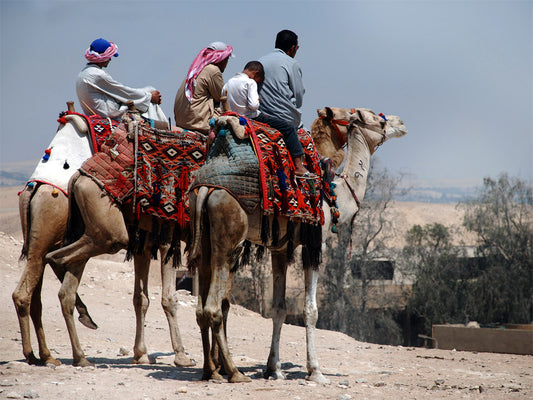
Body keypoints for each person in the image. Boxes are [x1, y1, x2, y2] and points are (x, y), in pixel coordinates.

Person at [223, 60, 314, 178]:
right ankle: (299, 167)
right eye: (258, 80)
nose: (256, 82)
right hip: (252, 117)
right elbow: (254, 106)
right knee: (289, 128)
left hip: (234, 117)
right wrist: (257, 100)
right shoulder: (250, 82)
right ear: (255, 74)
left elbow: (223, 103)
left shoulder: (228, 82)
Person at [258, 30, 313, 178]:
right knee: (307, 138)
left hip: (260, 114)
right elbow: (299, 96)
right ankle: (300, 167)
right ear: (293, 48)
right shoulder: (292, 63)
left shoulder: (260, 60)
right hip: (284, 118)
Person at [76, 38, 166, 122]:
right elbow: (122, 91)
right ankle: (163, 128)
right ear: (103, 57)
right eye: (109, 56)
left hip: (97, 111)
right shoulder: (97, 75)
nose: (110, 59)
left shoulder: (83, 73)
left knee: (146, 93)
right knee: (149, 94)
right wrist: (150, 97)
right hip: (108, 113)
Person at [174, 41, 233, 135]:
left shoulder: (196, 70)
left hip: (182, 122)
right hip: (198, 123)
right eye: (227, 60)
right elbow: (221, 97)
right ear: (223, 59)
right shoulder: (213, 70)